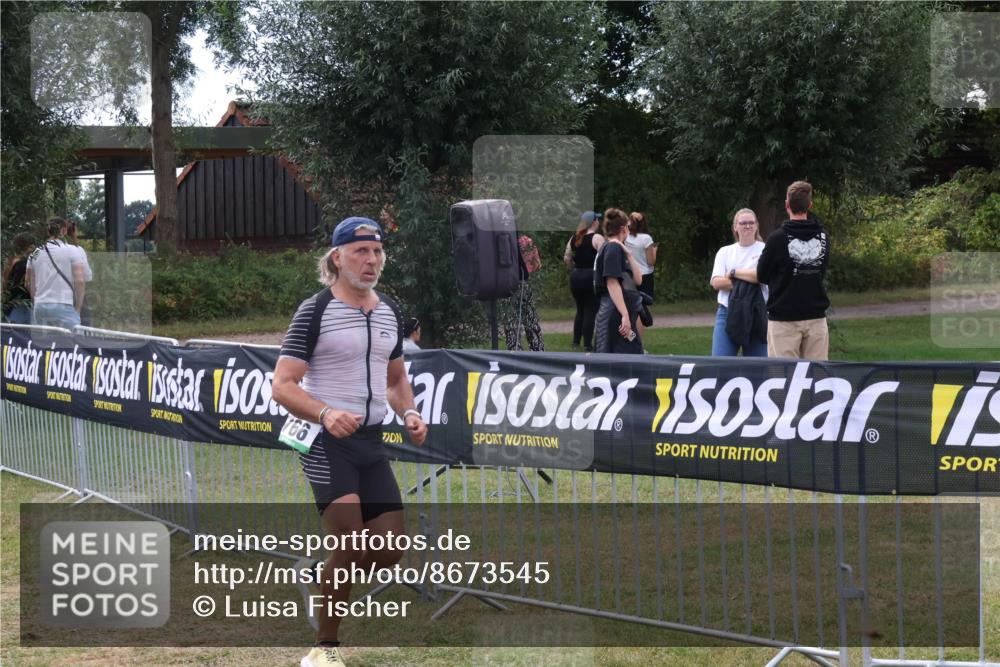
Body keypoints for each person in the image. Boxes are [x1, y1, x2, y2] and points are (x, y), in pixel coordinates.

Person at [271, 216, 428, 667]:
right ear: (337, 258)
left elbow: (396, 381)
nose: (371, 260)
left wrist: (410, 412)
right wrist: (325, 412)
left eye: (377, 252)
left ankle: (322, 575)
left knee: (390, 549)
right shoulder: (315, 310)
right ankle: (324, 649)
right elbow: (282, 385)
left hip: (371, 441)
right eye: (361, 251)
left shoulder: (389, 311)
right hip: (326, 441)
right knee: (352, 544)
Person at [741, 181, 830, 360]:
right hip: (816, 318)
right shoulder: (823, 236)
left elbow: (762, 275)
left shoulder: (777, 238)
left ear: (787, 205)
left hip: (783, 320)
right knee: (817, 374)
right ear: (810, 206)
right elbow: (821, 270)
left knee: (783, 375)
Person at [710, 208, 769, 357]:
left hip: (757, 313)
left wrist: (733, 273)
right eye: (743, 223)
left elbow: (763, 277)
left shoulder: (766, 250)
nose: (747, 226)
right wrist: (750, 278)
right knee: (720, 365)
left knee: (758, 368)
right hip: (727, 312)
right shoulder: (725, 252)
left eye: (751, 223)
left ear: (756, 226)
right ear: (735, 227)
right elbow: (716, 283)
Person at [593, 208, 645, 355]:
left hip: (620, 310)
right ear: (623, 228)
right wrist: (625, 315)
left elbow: (638, 280)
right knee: (618, 355)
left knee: (633, 349)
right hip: (614, 311)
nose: (630, 230)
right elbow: (612, 283)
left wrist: (629, 255)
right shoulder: (612, 248)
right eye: (628, 226)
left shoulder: (619, 249)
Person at [25, 217, 90, 329]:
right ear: (64, 230)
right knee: (71, 339)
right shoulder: (72, 250)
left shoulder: (36, 252)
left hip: (40, 307)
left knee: (45, 340)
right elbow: (80, 281)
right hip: (64, 305)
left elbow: (27, 282)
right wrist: (78, 308)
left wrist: (37, 301)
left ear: (48, 231)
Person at [564, 210, 604, 351]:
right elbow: (603, 258)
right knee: (590, 310)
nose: (599, 222)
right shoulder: (597, 238)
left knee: (580, 309)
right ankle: (587, 344)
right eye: (597, 219)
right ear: (593, 222)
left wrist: (574, 268)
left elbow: (567, 258)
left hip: (576, 276)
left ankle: (576, 342)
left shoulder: (574, 238)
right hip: (590, 276)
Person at [499, 234, 544, 351]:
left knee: (511, 321)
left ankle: (515, 350)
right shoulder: (526, 241)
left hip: (505, 283)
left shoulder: (497, 240)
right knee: (530, 317)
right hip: (523, 281)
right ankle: (538, 349)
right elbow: (537, 265)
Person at [624, 211, 657, 335]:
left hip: (629, 275)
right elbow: (651, 261)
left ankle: (630, 339)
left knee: (628, 309)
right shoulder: (646, 238)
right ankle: (639, 343)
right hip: (644, 275)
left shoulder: (624, 237)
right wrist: (655, 250)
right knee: (640, 311)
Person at [2, 233, 35, 324]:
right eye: (31, 246)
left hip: (12, 304)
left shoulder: (11, 261)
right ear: (27, 246)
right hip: (23, 304)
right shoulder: (23, 263)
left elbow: (5, 284)